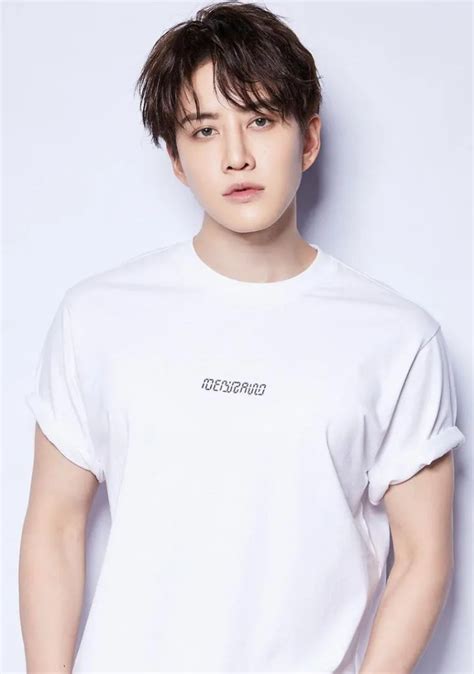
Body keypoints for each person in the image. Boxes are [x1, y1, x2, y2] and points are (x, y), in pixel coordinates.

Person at [19, 1, 466, 672]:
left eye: (260, 119)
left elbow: (424, 557)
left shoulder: (399, 338)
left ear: (308, 139)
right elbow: (54, 527)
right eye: (204, 130)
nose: (235, 157)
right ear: (176, 159)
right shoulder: (97, 316)